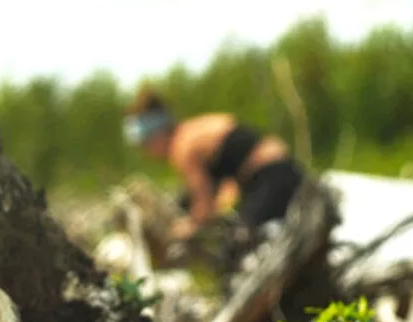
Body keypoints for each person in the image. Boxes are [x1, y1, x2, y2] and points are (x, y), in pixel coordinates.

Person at [122, 88, 306, 241]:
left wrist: (187, 227)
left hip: (271, 177)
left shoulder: (182, 148)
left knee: (244, 242)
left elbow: (204, 203)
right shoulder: (192, 130)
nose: (147, 153)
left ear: (157, 135)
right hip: (279, 169)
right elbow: (227, 178)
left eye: (145, 144)